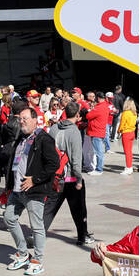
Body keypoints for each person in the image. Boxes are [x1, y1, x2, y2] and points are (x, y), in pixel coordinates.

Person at [3, 105, 59, 276]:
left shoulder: (44, 139)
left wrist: (35, 180)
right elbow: (15, 162)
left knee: (37, 227)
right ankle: (22, 254)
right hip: (17, 189)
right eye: (20, 119)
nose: (21, 122)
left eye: (25, 119)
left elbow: (53, 164)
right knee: (9, 218)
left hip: (34, 190)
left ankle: (38, 260)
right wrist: (9, 185)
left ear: (35, 120)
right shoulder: (21, 138)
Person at [44, 101, 95, 246]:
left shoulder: (54, 128)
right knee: (79, 209)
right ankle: (82, 236)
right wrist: (79, 179)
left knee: (49, 209)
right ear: (78, 115)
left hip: (56, 176)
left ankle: (37, 234)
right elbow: (76, 159)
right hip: (71, 177)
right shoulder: (74, 132)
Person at [85, 93, 110, 174]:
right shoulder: (105, 105)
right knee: (99, 151)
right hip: (99, 131)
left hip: (96, 132)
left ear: (98, 98)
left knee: (98, 152)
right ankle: (98, 168)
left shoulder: (99, 107)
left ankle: (99, 169)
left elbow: (88, 116)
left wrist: (91, 110)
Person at [117, 98, 137, 174]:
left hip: (126, 133)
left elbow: (122, 124)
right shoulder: (134, 113)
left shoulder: (125, 113)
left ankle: (128, 168)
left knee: (127, 152)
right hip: (132, 132)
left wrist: (118, 131)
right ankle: (129, 167)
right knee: (130, 152)